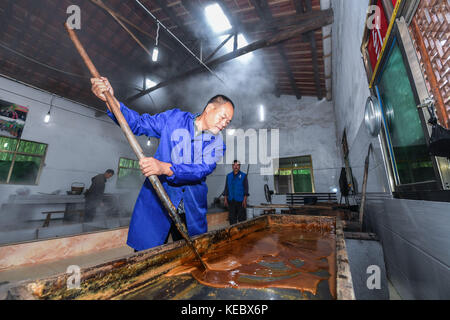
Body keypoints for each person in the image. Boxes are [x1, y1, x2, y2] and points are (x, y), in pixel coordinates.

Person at [91, 77, 234, 251]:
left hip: (189, 211)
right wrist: (110, 100)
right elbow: (137, 123)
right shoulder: (174, 119)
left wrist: (165, 168)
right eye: (223, 117)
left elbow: (200, 170)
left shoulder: (218, 144)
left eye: (228, 122)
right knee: (147, 255)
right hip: (158, 201)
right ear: (210, 108)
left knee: (190, 257)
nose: (224, 124)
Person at [223, 160, 249, 225]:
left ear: (239, 166)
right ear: (232, 166)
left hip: (241, 201)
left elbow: (246, 189)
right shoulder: (228, 176)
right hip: (231, 200)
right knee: (232, 218)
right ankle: (233, 232)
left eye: (237, 165)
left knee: (242, 219)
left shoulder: (243, 176)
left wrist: (245, 200)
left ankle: (242, 232)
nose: (236, 167)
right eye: (234, 165)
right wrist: (225, 199)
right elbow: (226, 188)